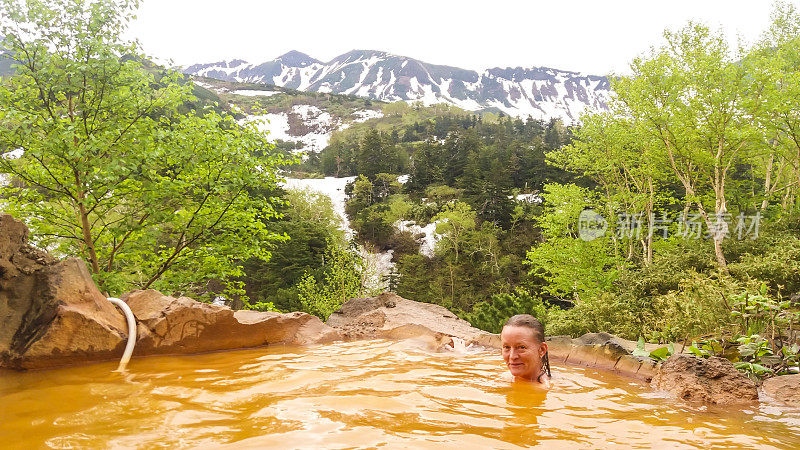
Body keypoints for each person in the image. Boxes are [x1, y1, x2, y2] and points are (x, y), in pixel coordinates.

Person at [501, 314, 551, 385]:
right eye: (507, 347)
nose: (512, 356)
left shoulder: (543, 391)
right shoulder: (504, 378)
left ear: (542, 350)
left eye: (521, 347)